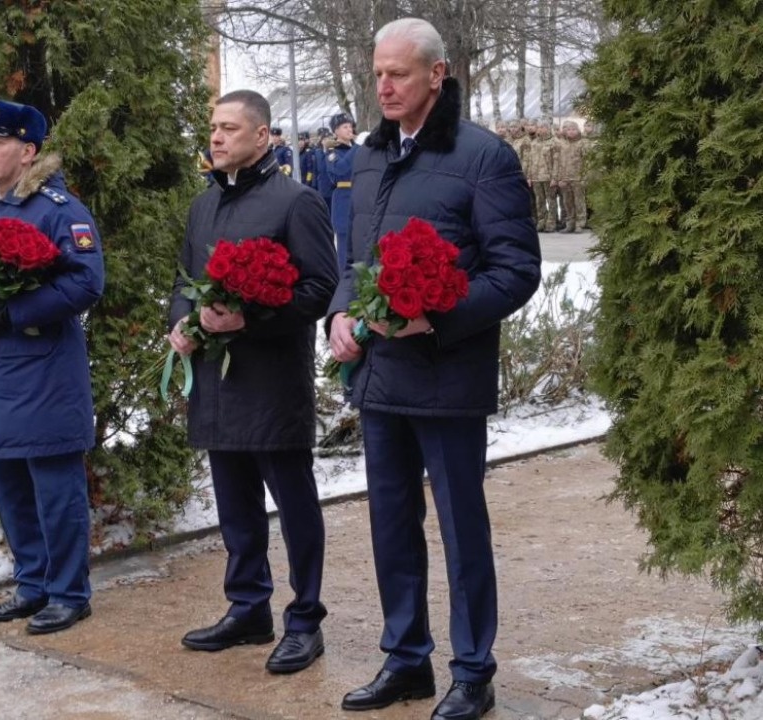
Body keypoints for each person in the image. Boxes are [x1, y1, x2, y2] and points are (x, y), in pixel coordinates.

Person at [327, 18, 541, 720]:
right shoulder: (366, 156)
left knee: (459, 524)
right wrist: (337, 312)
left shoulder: (484, 157)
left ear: (436, 75)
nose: (384, 85)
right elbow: (355, 256)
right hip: (381, 377)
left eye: (399, 73)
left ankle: (473, 670)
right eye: (378, 72)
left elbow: (515, 271)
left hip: (447, 376)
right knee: (391, 521)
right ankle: (406, 659)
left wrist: (436, 318)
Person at [168, 89, 338, 675]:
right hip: (217, 381)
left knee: (293, 506)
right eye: (213, 127)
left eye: (230, 129)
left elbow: (320, 288)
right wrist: (182, 323)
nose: (216, 138)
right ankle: (248, 606)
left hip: (271, 381)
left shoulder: (298, 202)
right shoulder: (203, 205)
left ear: (262, 136)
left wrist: (254, 317)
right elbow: (184, 279)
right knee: (235, 502)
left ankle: (305, 619)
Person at [0, 99, 105, 635]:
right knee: (9, 483)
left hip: (42, 370)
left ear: (29, 150)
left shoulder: (58, 208)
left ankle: (68, 592)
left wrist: (14, 313)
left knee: (54, 488)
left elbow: (86, 282)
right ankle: (33, 583)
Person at [325, 112, 358, 270]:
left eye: (350, 126)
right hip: (344, 199)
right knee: (345, 248)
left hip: (359, 197)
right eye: (345, 127)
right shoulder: (332, 151)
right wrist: (357, 147)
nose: (349, 129)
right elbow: (340, 169)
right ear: (336, 131)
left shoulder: (357, 149)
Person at [558, 120, 587, 233]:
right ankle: (570, 223)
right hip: (565, 178)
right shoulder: (562, 144)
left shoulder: (582, 143)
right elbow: (558, 162)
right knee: (567, 202)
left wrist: (585, 177)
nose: (571, 132)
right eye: (568, 129)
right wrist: (559, 178)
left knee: (579, 202)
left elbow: (587, 161)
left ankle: (580, 224)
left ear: (578, 130)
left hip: (577, 177)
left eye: (573, 129)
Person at [312, 126, 335, 212]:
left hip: (332, 185)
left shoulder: (333, 151)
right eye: (324, 140)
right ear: (321, 141)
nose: (326, 142)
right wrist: (314, 185)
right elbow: (315, 170)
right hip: (322, 185)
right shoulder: (317, 152)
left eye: (328, 139)